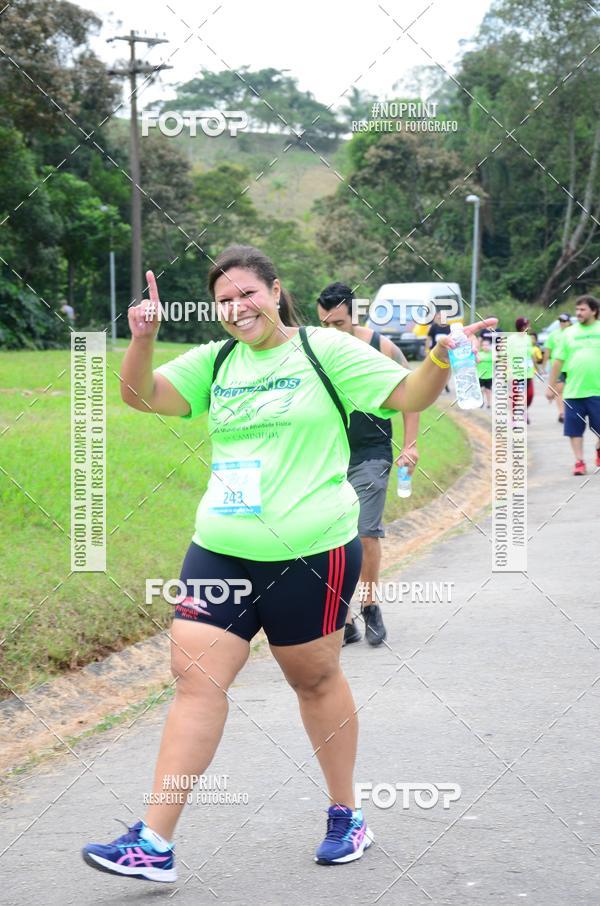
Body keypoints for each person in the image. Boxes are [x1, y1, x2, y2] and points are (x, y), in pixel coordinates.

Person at [81, 245, 496, 880]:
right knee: (196, 680)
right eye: (224, 300)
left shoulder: (323, 352)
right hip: (221, 547)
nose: (236, 308)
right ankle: (154, 843)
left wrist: (442, 354)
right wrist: (143, 337)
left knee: (314, 681)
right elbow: (141, 395)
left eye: (247, 293)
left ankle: (346, 812)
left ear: (276, 291)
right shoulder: (218, 361)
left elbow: (408, 390)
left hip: (312, 551)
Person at [315, 282, 420, 647]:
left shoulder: (379, 347)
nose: (331, 332)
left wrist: (410, 444)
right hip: (326, 454)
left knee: (365, 530)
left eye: (338, 324)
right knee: (330, 536)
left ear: (354, 316)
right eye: (324, 324)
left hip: (371, 451)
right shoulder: (312, 349)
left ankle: (370, 605)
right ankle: (342, 617)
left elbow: (413, 390)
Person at [546, 295, 600, 475]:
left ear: (594, 311)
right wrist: (551, 386)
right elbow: (558, 361)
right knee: (574, 430)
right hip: (574, 391)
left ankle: (598, 450)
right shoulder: (569, 333)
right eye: (577, 310)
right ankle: (579, 462)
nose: (579, 313)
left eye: (583, 309)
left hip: (597, 390)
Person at [542, 313, 572, 423]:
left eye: (564, 321)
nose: (562, 323)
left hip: (572, 366)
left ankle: (570, 411)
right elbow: (547, 352)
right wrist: (544, 366)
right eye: (560, 321)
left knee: (570, 391)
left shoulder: (573, 333)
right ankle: (562, 413)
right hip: (558, 367)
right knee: (559, 391)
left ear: (569, 322)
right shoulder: (553, 335)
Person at [515, 317, 535, 423]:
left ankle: (523, 411)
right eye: (527, 326)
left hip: (529, 373)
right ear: (523, 327)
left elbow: (531, 355)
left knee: (530, 395)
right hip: (518, 373)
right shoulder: (512, 339)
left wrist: (537, 368)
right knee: (521, 395)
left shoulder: (528, 339)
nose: (529, 328)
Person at [427, 311, 451, 392]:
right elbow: (429, 338)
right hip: (435, 352)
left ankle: (445, 384)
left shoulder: (449, 328)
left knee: (446, 369)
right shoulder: (434, 327)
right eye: (440, 317)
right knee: (434, 369)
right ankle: (435, 385)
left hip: (446, 353)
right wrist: (427, 349)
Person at [476, 328, 494, 408]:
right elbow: (476, 361)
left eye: (487, 345)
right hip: (480, 375)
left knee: (488, 390)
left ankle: (489, 403)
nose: (485, 347)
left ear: (490, 346)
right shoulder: (479, 353)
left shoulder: (492, 354)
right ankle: (481, 402)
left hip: (489, 375)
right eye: (483, 345)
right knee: (481, 390)